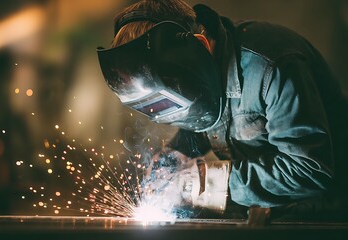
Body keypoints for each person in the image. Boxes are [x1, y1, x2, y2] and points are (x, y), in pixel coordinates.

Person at [97, 0, 348, 219]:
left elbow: (311, 169)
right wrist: (174, 155)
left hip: (328, 213)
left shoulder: (272, 67)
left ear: (202, 47)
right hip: (265, 212)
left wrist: (203, 182)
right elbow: (204, 115)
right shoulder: (198, 73)